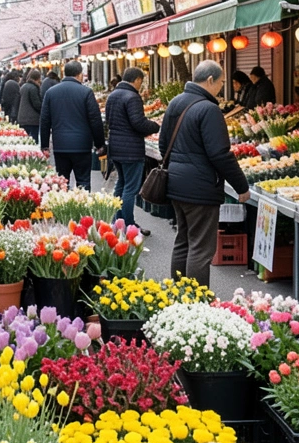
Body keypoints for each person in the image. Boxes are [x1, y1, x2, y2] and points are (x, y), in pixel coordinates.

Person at [158, 60, 250, 285]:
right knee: (201, 247)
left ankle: (178, 296)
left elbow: (163, 144)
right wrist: (241, 186)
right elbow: (220, 154)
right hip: (201, 188)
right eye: (221, 82)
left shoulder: (175, 102)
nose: (221, 87)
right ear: (210, 80)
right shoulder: (209, 109)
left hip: (175, 184)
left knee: (183, 241)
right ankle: (196, 303)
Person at [106, 67, 160, 233]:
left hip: (115, 147)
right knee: (130, 188)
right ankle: (129, 225)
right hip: (131, 150)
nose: (140, 85)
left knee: (121, 184)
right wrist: (155, 126)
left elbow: (108, 120)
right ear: (137, 80)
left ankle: (118, 221)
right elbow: (138, 123)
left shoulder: (113, 95)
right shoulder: (132, 97)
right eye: (141, 82)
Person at [39, 60, 105, 190]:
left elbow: (45, 120)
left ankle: (63, 208)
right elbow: (95, 120)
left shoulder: (51, 93)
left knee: (62, 182)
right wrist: (99, 144)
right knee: (83, 182)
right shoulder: (86, 92)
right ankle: (82, 209)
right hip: (82, 146)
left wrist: (45, 145)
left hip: (60, 145)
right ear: (80, 74)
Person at [16, 70, 44, 143]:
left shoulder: (23, 86)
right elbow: (36, 104)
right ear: (37, 78)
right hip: (32, 120)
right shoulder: (33, 88)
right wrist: (43, 110)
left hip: (22, 118)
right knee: (33, 141)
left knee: (24, 140)